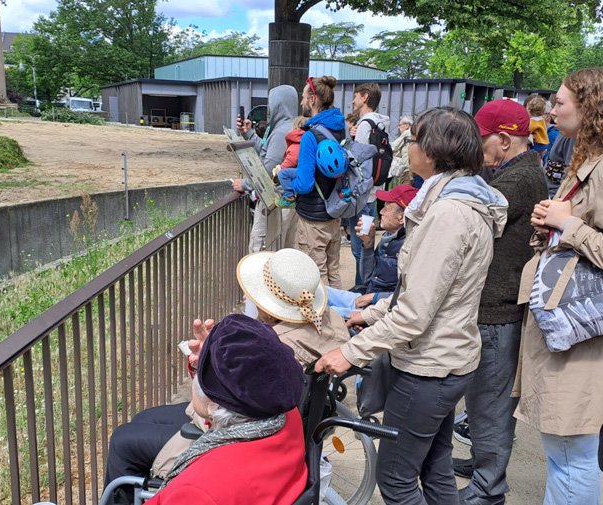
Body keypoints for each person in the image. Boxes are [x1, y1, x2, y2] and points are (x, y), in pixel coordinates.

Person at [316, 107, 508, 505]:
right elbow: (424, 293)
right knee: (435, 469)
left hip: (429, 367)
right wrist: (368, 314)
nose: (409, 147)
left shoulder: (448, 215)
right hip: (447, 359)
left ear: (434, 151)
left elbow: (415, 314)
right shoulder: (455, 201)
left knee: (397, 480)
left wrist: (349, 353)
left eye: (415, 140)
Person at [103, 248, 347, 504]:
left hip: (229, 434)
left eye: (255, 291)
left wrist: (210, 372)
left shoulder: (278, 348)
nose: (246, 295)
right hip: (271, 438)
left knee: (123, 441)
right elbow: (240, 393)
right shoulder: (325, 325)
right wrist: (216, 361)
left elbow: (226, 406)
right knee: (143, 420)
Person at [516, 68, 603, 505]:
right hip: (573, 334)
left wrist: (568, 223)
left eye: (559, 102)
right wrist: (552, 224)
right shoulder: (588, 163)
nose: (551, 110)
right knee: (563, 451)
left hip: (584, 338)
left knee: (572, 454)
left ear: (590, 108)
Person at [452, 99, 548, 505]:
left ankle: (488, 490)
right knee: (481, 400)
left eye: (482, 140)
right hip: (494, 305)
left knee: (490, 404)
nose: (478, 150)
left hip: (498, 307)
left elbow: (465, 220)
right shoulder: (516, 172)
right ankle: (481, 466)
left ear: (505, 141)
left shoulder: (516, 181)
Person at [144, 314, 308, 504]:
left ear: (214, 406)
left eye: (201, 375)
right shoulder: (285, 413)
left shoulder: (198, 491)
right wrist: (211, 365)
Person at [326, 184, 417, 318]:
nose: (381, 212)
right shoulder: (389, 237)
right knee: (317, 291)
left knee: (321, 311)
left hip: (378, 311)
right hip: (366, 300)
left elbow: (410, 297)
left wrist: (373, 297)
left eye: (387, 208)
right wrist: (368, 244)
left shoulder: (409, 247)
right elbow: (367, 279)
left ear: (401, 217)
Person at [292, 76, 347, 288]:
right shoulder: (339, 128)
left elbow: (304, 184)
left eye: (304, 97)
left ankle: (324, 321)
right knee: (333, 272)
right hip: (334, 213)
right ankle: (340, 319)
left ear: (313, 99)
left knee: (315, 276)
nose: (302, 102)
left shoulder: (310, 136)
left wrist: (289, 183)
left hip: (312, 219)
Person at [233, 85, 299, 251]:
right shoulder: (291, 127)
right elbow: (268, 153)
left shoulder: (280, 132)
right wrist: (249, 134)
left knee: (261, 250)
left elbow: (268, 168)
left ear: (278, 105)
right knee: (285, 250)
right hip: (289, 200)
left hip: (274, 201)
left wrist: (245, 185)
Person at [347, 82, 390, 289]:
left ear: (365, 97)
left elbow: (357, 161)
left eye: (355, 96)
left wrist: (350, 139)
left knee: (359, 247)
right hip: (373, 194)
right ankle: (363, 285)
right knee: (366, 241)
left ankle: (361, 287)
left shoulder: (365, 125)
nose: (353, 100)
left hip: (361, 196)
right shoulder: (381, 124)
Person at [274, 116, 309, 208]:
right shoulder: (309, 139)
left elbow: (292, 159)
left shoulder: (297, 142)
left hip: (302, 171)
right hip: (307, 170)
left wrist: (280, 168)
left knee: (283, 174)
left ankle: (289, 197)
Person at [391, 115, 414, 185]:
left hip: (407, 168)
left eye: (400, 125)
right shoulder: (413, 133)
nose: (398, 127)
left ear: (407, 125)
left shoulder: (407, 133)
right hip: (413, 167)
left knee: (405, 189)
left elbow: (394, 147)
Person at [526, 95, 550, 161]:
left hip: (537, 145)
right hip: (545, 144)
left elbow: (527, 131)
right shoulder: (541, 120)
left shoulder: (533, 121)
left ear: (530, 110)